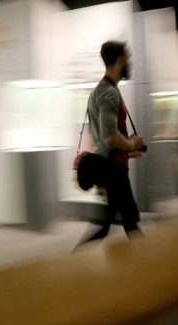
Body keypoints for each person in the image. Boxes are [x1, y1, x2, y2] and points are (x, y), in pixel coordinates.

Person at [74, 41, 145, 249]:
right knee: (129, 223)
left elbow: (103, 139)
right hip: (114, 170)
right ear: (120, 60)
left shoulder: (101, 91)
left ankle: (75, 261)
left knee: (110, 224)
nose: (130, 63)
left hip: (112, 166)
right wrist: (131, 144)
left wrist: (128, 149)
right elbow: (109, 137)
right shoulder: (109, 93)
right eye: (128, 59)